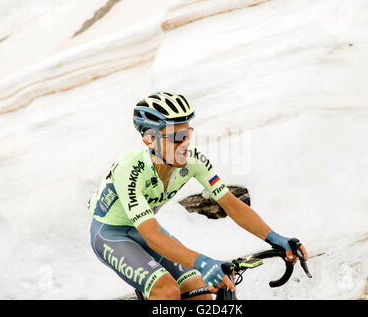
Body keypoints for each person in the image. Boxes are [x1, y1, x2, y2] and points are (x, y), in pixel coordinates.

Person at [88, 91, 308, 300]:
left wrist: (275, 238)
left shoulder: (194, 160)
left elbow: (230, 204)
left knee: (198, 288)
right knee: (166, 290)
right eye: (177, 137)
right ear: (149, 140)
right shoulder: (129, 169)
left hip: (144, 229)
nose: (185, 144)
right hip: (111, 235)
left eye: (188, 134)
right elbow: (152, 235)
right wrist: (203, 263)